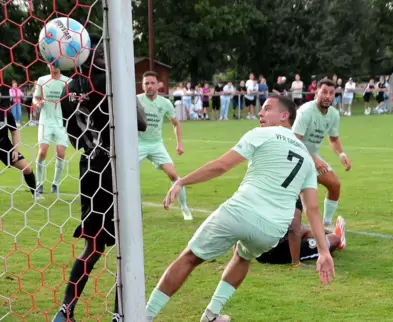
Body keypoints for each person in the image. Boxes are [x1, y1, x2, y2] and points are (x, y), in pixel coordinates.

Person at [145, 95, 335, 322]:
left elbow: (221, 166)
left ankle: (144, 317)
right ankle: (211, 315)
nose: (260, 113)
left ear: (284, 116)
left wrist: (182, 181)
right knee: (243, 257)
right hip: (272, 229)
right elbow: (312, 208)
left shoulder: (260, 134)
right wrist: (324, 252)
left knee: (189, 258)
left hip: (240, 212)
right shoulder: (307, 156)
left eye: (267, 109)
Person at [52, 34, 147, 322]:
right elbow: (140, 123)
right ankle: (120, 314)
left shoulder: (69, 88)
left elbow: (74, 139)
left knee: (92, 247)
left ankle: (65, 312)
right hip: (117, 170)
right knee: (127, 246)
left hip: (89, 168)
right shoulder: (112, 81)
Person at [292, 79, 352, 233]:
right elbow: (294, 142)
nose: (328, 96)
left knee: (334, 185)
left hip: (313, 160)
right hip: (294, 159)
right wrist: (314, 159)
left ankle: (326, 223)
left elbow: (333, 139)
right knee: (295, 198)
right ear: (316, 92)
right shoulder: (305, 111)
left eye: (331, 93)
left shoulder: (333, 114)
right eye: (324, 92)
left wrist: (342, 154)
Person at [138, 71, 192, 220]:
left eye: (152, 83)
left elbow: (176, 123)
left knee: (174, 175)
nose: (149, 86)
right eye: (146, 83)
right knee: (125, 175)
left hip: (156, 144)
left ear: (158, 85)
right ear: (142, 86)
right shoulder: (136, 101)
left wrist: (179, 144)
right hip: (138, 144)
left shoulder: (165, 103)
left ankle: (184, 207)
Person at [32, 65, 69, 195]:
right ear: (48, 64)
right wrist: (38, 103)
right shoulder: (42, 80)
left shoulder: (67, 81)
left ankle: (55, 183)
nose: (54, 66)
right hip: (45, 121)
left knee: (60, 153)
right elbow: (35, 97)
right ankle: (39, 183)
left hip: (61, 122)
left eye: (57, 63)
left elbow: (71, 101)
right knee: (42, 152)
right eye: (52, 63)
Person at [256, 214, 346, 265]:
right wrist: (296, 262)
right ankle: (334, 239)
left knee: (301, 229)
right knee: (335, 239)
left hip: (261, 248)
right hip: (279, 253)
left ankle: (322, 235)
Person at [0, 89, 40, 200]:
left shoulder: (5, 113)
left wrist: (15, 150)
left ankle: (35, 193)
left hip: (4, 146)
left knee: (27, 169)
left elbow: (14, 132)